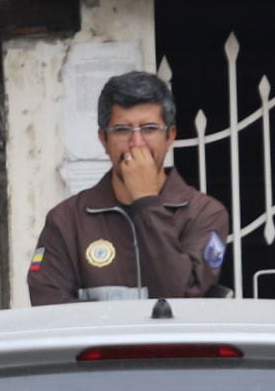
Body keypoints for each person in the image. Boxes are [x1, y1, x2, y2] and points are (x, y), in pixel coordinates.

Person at [27, 70, 231, 305]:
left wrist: (146, 201)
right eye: (122, 130)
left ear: (170, 136)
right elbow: (50, 308)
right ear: (104, 139)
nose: (136, 143)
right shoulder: (66, 220)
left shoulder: (204, 213)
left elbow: (182, 301)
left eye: (149, 128)